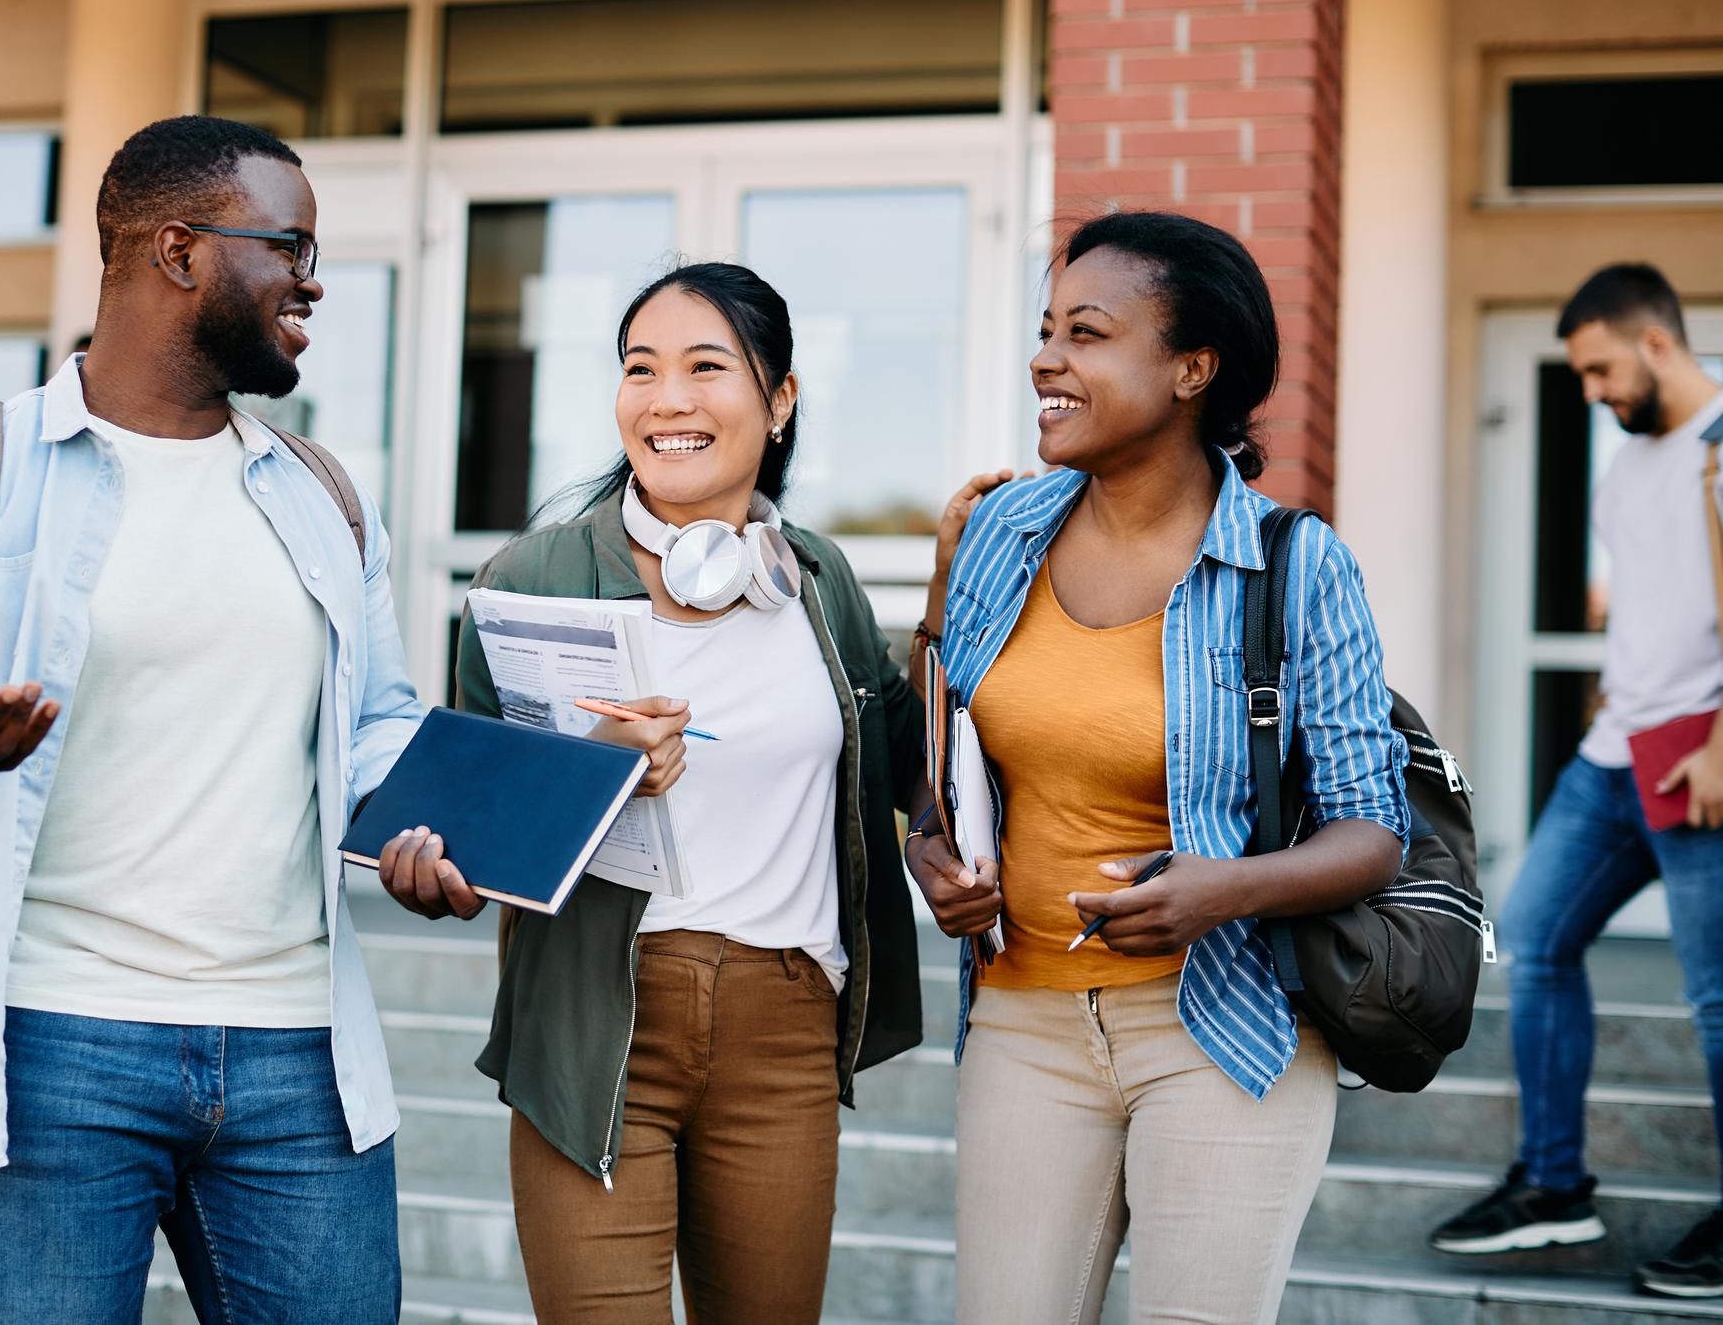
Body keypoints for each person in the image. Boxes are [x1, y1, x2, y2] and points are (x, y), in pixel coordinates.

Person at [0, 115, 422, 1323]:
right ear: (178, 251)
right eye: (289, 246)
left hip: (300, 1056)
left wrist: (441, 836)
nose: (314, 279)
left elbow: (376, 731)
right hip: (52, 1048)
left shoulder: (323, 496)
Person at [378, 262, 930, 1324]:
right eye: (640, 369)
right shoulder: (527, 580)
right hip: (597, 1028)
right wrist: (562, 788)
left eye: (704, 367)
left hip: (785, 1035)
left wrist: (957, 596)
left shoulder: (820, 583)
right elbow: (466, 829)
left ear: (779, 400)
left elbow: (905, 765)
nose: (666, 398)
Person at [913, 211, 1409, 1325]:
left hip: (1222, 1026)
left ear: (1193, 368)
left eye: (1086, 333)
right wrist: (928, 855)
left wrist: (1219, 888)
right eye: (1046, 331)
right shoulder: (1001, 532)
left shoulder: (1296, 564)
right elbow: (942, 763)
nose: (1046, 357)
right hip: (1022, 1022)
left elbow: (1373, 827)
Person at [1430, 264, 1723, 1298]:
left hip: (1702, 759)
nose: (1591, 391)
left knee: (1718, 998)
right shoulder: (1626, 467)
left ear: (1655, 342)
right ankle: (1556, 1187)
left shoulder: (1720, 448)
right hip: (1615, 760)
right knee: (1537, 938)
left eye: (1600, 368)